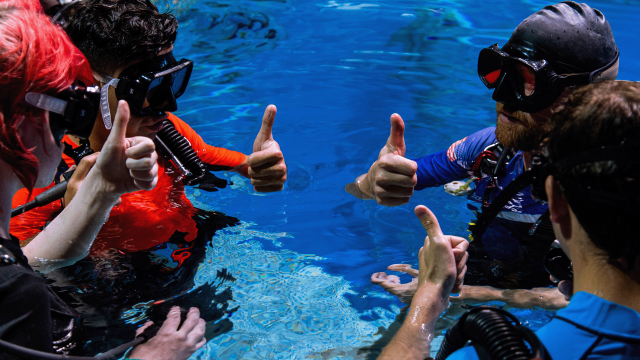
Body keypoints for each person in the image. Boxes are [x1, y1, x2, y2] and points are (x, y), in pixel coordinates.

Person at [353, 1, 619, 306]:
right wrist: (372, 181)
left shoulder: (609, 179)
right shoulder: (488, 151)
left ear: (585, 96)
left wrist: (455, 294)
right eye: (498, 72)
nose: (501, 97)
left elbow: (604, 295)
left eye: (528, 82)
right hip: (485, 277)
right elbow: (369, 186)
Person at [0, 3, 206, 359]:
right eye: (77, 107)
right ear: (27, 125)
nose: (81, 128)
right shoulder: (17, 295)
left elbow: (27, 260)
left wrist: (100, 193)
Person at [379, 80, 640, 360]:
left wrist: (430, 294)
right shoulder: (487, 149)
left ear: (556, 202)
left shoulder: (507, 354)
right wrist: (374, 179)